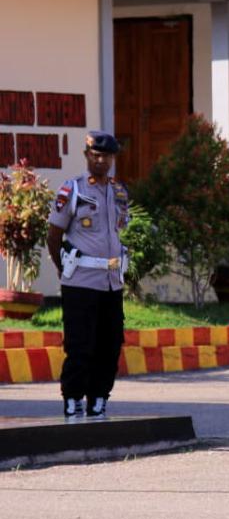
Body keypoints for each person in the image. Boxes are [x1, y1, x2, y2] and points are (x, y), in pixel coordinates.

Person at [47, 131, 129, 420]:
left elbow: (119, 230)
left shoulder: (120, 193)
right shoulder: (73, 191)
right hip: (80, 281)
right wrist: (62, 267)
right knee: (80, 345)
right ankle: (72, 399)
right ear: (87, 156)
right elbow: (54, 235)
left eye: (106, 156)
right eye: (95, 155)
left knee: (110, 344)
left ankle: (98, 399)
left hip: (111, 281)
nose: (101, 161)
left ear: (112, 159)